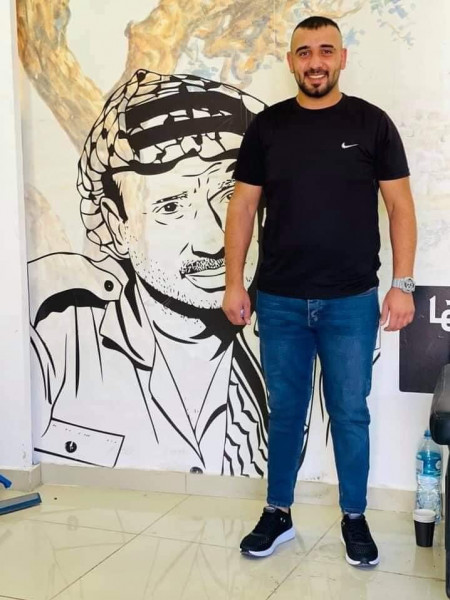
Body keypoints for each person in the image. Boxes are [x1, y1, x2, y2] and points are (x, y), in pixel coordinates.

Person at [222, 16, 417, 567]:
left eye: (325, 50)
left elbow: (400, 208)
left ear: (342, 58)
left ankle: (354, 517)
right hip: (279, 299)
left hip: (351, 302)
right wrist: (234, 281)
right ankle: (278, 512)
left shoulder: (372, 123)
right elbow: (243, 206)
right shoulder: (267, 127)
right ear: (291, 61)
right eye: (304, 52)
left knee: (350, 413)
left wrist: (402, 285)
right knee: (285, 411)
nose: (315, 62)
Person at [30, 70, 268, 475]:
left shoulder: (290, 351)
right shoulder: (57, 344)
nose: (213, 240)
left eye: (228, 196)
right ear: (116, 225)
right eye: (171, 207)